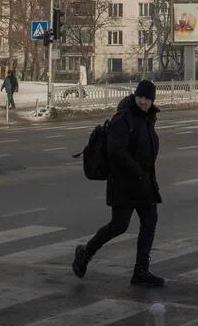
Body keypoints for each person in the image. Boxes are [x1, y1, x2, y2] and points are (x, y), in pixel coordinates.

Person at [73, 79, 163, 286]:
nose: (144, 102)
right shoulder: (123, 118)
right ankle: (85, 253)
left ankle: (141, 271)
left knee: (149, 222)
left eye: (148, 99)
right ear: (135, 96)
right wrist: (137, 172)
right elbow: (116, 151)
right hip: (124, 182)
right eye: (141, 97)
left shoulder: (148, 118)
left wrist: (147, 177)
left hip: (144, 182)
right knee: (119, 225)